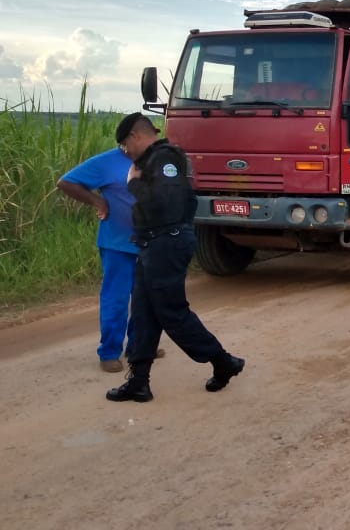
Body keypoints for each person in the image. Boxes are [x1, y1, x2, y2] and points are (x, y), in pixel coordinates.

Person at [106, 112, 245, 403]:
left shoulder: (166, 160)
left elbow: (165, 203)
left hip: (166, 244)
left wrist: (134, 183)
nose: (125, 152)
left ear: (135, 136)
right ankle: (139, 381)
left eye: (124, 145)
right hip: (151, 245)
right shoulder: (149, 162)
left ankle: (222, 361)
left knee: (171, 312)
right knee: (144, 311)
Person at [57, 142, 167, 372]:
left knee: (145, 299)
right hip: (117, 244)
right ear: (131, 137)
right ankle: (109, 352)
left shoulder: (154, 160)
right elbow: (66, 182)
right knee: (115, 299)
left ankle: (139, 346)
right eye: (145, 137)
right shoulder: (106, 161)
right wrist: (97, 201)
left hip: (148, 243)